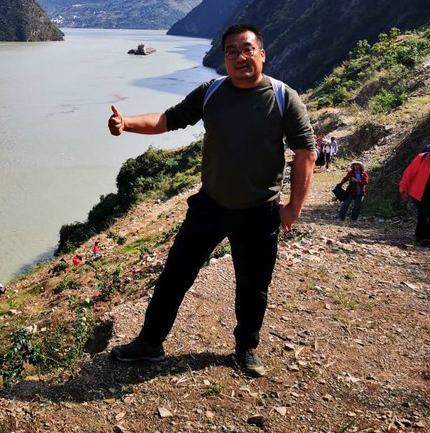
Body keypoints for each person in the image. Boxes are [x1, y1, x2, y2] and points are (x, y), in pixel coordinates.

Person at [107, 23, 316, 377]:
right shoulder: (212, 92)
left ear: (262, 54)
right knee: (174, 275)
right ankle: (150, 342)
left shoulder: (283, 97)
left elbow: (305, 153)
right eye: (231, 51)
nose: (239, 57)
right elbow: (167, 119)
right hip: (211, 205)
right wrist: (126, 123)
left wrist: (293, 207)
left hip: (259, 211)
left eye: (247, 49)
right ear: (225, 58)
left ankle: (246, 348)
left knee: (253, 286)